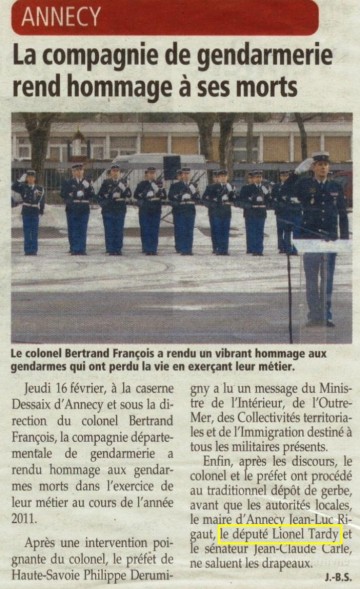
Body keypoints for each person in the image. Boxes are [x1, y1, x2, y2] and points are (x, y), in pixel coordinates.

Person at [294, 152, 349, 327]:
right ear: (313, 167)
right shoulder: (304, 185)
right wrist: (296, 174)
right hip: (310, 237)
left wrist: (345, 239)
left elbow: (342, 213)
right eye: (319, 164)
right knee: (311, 280)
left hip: (329, 239)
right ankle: (314, 316)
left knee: (327, 279)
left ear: (329, 167)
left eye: (326, 164)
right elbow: (285, 192)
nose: (323, 167)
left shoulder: (335, 186)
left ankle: (326, 315)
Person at [60, 163, 94, 255]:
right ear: (73, 172)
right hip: (73, 208)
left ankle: (82, 248)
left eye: (81, 170)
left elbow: (92, 194)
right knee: (73, 229)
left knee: (82, 229)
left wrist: (87, 189)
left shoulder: (87, 182)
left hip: (83, 208)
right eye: (77, 170)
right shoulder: (69, 182)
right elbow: (63, 194)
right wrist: (74, 195)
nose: (79, 172)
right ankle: (74, 248)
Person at [97, 164, 131, 255]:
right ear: (110, 173)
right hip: (109, 210)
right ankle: (110, 248)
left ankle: (118, 248)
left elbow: (128, 194)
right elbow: (100, 196)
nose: (115, 173)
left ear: (120, 173)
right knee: (109, 230)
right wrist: (104, 204)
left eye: (117, 171)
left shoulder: (123, 183)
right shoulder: (106, 183)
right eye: (113, 171)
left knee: (119, 230)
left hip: (119, 209)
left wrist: (124, 187)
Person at [235, 169, 270, 256]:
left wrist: (266, 204)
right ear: (253, 178)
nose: (258, 179)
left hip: (261, 212)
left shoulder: (264, 188)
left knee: (260, 231)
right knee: (252, 231)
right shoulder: (247, 188)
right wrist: (249, 203)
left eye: (260, 177)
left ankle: (259, 250)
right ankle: (253, 249)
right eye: (256, 177)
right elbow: (241, 200)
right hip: (251, 213)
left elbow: (269, 200)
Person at [12, 169, 45, 255]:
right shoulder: (23, 187)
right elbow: (13, 187)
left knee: (34, 231)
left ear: (34, 178)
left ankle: (34, 250)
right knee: (27, 231)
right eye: (28, 177)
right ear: (26, 178)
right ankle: (27, 250)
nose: (30, 179)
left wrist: (41, 210)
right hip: (26, 211)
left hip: (34, 211)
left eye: (32, 177)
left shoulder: (39, 188)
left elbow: (42, 200)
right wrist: (20, 180)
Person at [134, 167, 166, 255]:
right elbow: (136, 195)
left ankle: (153, 249)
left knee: (154, 229)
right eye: (150, 173)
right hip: (145, 209)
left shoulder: (159, 184)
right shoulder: (142, 184)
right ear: (146, 174)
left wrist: (158, 190)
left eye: (153, 173)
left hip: (155, 209)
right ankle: (147, 248)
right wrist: (144, 195)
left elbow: (164, 196)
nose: (152, 175)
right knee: (145, 229)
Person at [168, 167, 199, 255]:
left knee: (189, 230)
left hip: (190, 209)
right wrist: (179, 197)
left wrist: (193, 194)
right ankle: (181, 248)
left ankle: (188, 249)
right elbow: (171, 197)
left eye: (187, 174)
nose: (186, 176)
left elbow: (198, 198)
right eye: (184, 174)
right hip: (180, 210)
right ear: (181, 175)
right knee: (181, 230)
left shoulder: (193, 185)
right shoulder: (175, 186)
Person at [202, 169, 234, 255]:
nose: (223, 178)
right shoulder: (212, 187)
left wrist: (232, 193)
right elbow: (205, 199)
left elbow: (234, 199)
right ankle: (218, 248)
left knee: (225, 231)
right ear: (218, 178)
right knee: (217, 231)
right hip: (216, 212)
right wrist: (213, 204)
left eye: (225, 176)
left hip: (226, 212)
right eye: (221, 176)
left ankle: (224, 249)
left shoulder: (229, 187)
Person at [272, 169, 302, 254]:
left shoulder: (297, 186)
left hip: (296, 210)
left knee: (296, 231)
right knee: (286, 231)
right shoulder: (281, 187)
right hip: (285, 211)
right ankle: (286, 248)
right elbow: (278, 198)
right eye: (283, 176)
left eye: (287, 176)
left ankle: (295, 249)